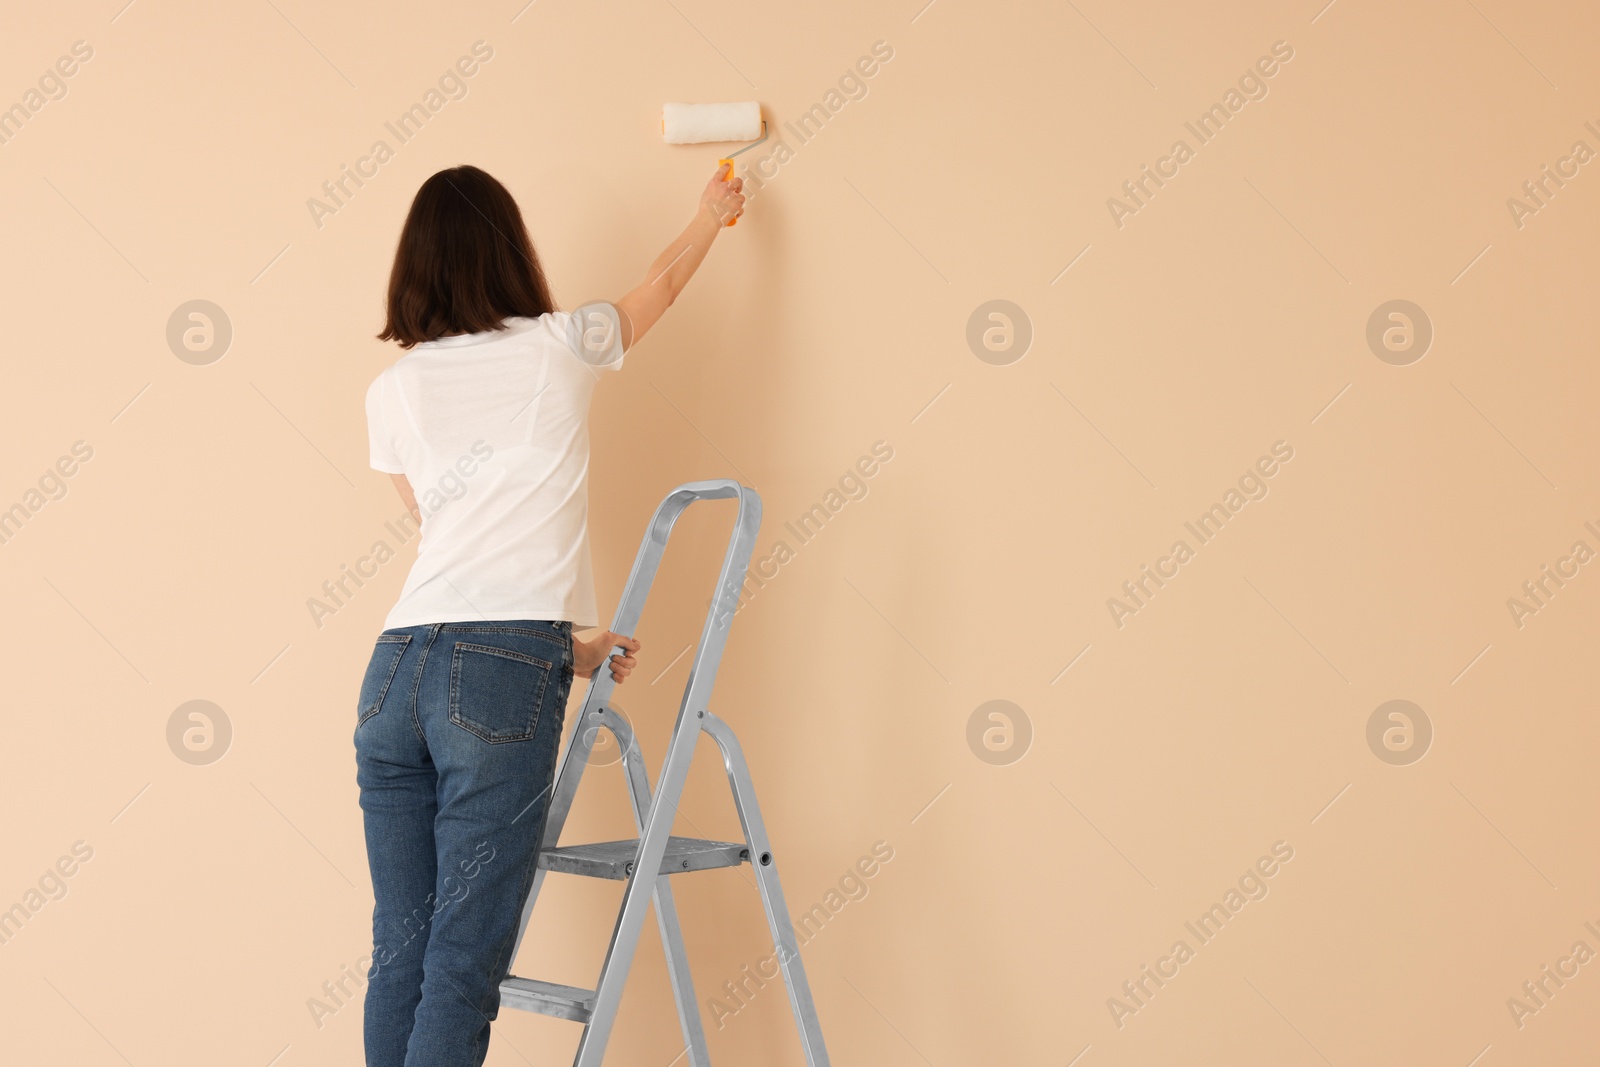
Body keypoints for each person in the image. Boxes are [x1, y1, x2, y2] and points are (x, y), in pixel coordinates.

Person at [353, 162, 745, 1067]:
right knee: (460, 962)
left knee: (401, 954)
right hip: (494, 672)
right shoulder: (564, 343)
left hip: (394, 670)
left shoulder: (393, 391)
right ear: (510, 251)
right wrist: (709, 215)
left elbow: (446, 535)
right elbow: (664, 284)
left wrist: (564, 644)